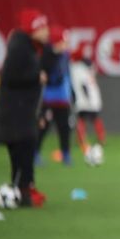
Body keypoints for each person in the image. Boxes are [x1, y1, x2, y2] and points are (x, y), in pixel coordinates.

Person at [0, 9, 54, 207]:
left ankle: (25, 188)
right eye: (42, 27)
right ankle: (22, 190)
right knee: (23, 148)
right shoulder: (20, 47)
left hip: (22, 110)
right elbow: (10, 77)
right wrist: (36, 77)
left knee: (26, 148)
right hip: (15, 112)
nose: (47, 32)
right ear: (32, 29)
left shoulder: (31, 47)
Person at [37, 25, 73, 165]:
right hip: (49, 99)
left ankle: (66, 154)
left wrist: (72, 93)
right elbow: (46, 75)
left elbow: (67, 75)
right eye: (64, 41)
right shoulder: (47, 54)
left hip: (63, 99)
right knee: (43, 127)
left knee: (64, 128)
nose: (67, 44)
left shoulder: (65, 56)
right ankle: (35, 152)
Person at [69, 44, 106, 158]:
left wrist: (87, 97)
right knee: (93, 118)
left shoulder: (77, 68)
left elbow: (83, 84)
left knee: (82, 119)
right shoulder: (88, 66)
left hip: (85, 99)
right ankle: (100, 138)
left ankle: (82, 139)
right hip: (92, 97)